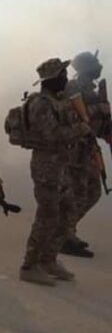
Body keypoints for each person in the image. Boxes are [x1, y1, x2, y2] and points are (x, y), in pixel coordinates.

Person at [19, 58, 93, 287]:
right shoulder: (41, 104)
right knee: (47, 216)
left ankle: (49, 259)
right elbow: (51, 135)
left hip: (61, 165)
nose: (66, 78)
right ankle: (29, 266)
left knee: (67, 211)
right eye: (62, 74)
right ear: (52, 78)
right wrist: (82, 127)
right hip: (46, 167)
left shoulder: (57, 101)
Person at [61, 51, 108, 258]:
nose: (98, 67)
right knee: (80, 193)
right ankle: (63, 235)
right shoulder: (74, 89)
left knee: (92, 192)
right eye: (95, 64)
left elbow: (99, 122)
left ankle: (66, 232)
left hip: (88, 147)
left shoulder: (92, 89)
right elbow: (76, 117)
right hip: (74, 149)